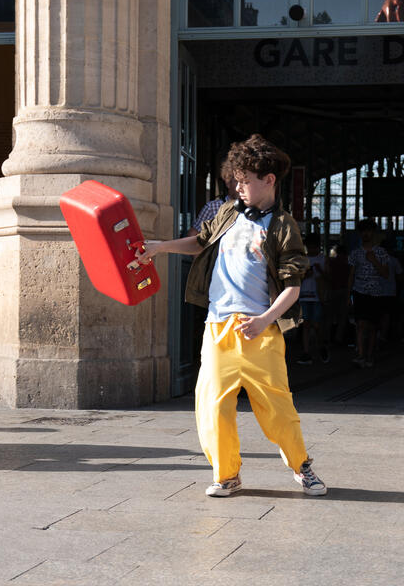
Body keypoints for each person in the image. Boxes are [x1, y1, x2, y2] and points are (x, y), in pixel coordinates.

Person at [135, 134, 327, 498]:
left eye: (244, 180)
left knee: (277, 408)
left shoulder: (283, 225)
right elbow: (201, 242)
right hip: (218, 328)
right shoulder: (226, 212)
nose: (237, 186)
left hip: (260, 332)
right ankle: (227, 475)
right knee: (211, 405)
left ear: (268, 180)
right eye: (235, 179)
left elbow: (293, 286)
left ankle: (302, 468)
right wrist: (161, 248)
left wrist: (264, 320)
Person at [348, 219, 392, 368]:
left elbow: (386, 274)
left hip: (376, 294)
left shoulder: (381, 253)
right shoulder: (355, 253)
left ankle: (369, 355)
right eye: (363, 231)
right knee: (360, 324)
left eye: (369, 231)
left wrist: (374, 261)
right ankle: (361, 355)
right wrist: (349, 295)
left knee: (373, 326)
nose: (366, 234)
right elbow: (351, 275)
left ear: (374, 233)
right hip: (359, 292)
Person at [187, 159, 239, 238]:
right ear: (228, 183)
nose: (241, 186)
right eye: (237, 181)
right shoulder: (212, 207)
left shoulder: (256, 208)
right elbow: (193, 236)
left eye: (245, 182)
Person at [297, 235, 328, 365]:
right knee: (306, 324)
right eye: (309, 247)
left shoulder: (322, 259)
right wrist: (305, 275)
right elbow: (297, 278)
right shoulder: (302, 259)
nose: (311, 249)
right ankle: (306, 352)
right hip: (304, 296)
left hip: (317, 296)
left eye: (314, 247)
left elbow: (328, 276)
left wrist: (320, 271)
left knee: (316, 325)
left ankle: (320, 346)